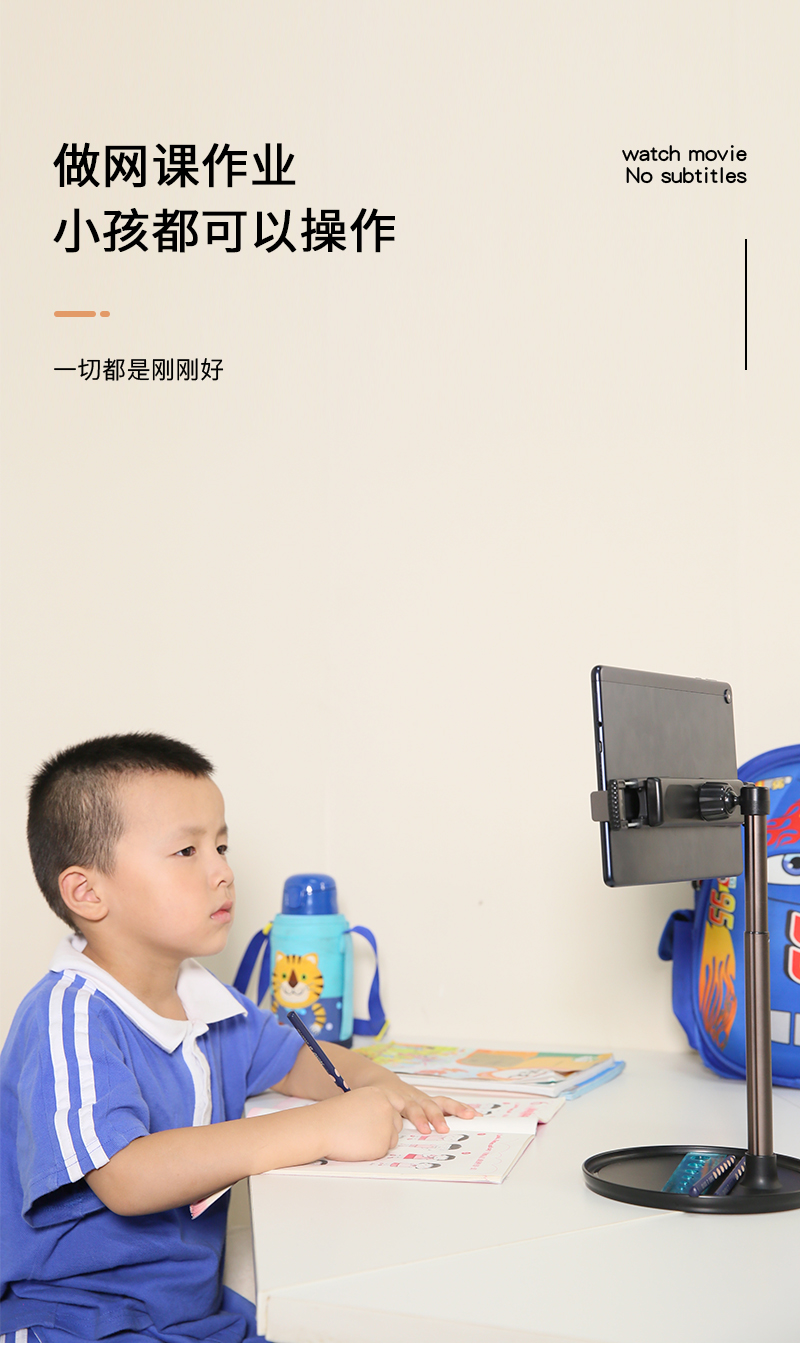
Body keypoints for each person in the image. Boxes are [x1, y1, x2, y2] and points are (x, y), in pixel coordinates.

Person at [0, 733, 476, 1343]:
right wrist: (320, 1128)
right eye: (186, 851)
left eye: (221, 847)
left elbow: (294, 1059)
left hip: (191, 1314)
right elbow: (126, 1176)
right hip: (79, 1323)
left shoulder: (203, 997)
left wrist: (379, 1083)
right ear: (88, 892)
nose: (223, 872)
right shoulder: (68, 1017)